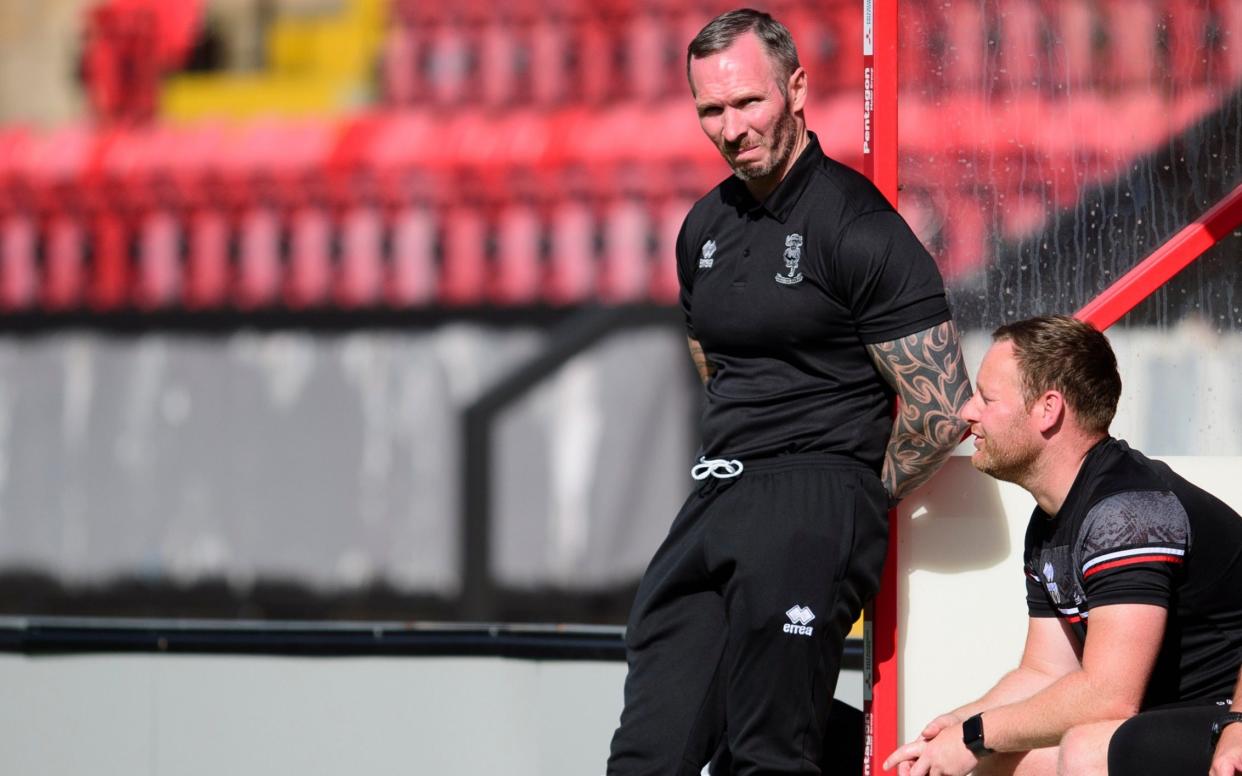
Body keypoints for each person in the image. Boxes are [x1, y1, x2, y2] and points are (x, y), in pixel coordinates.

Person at [606, 9, 972, 775]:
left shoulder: (858, 224)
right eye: (713, 109)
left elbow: (941, 409)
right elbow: (713, 357)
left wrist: (853, 491)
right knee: (650, 753)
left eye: (749, 103)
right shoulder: (703, 226)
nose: (732, 127)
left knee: (768, 754)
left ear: (797, 89)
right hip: (717, 491)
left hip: (815, 493)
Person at [883, 315, 1242, 776]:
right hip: (1174, 721)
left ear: (1048, 409)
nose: (967, 413)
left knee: (1085, 751)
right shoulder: (1052, 518)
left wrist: (976, 735)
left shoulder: (1128, 514)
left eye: (987, 399)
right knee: (996, 761)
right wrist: (956, 725)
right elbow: (1044, 672)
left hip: (1230, 718)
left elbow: (1108, 695)